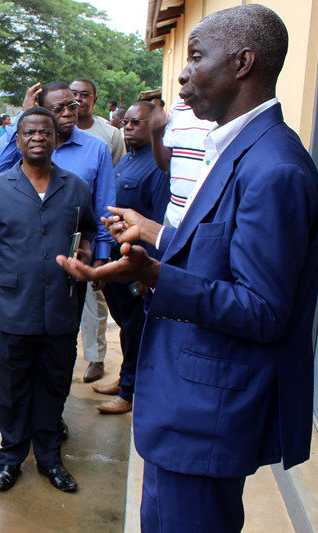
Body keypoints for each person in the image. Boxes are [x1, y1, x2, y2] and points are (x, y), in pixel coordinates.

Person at [57, 6, 318, 531]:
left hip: (208, 415)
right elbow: (224, 249)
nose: (181, 72)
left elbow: (264, 310)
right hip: (185, 406)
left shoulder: (276, 168)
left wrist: (152, 275)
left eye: (196, 56)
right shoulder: (238, 146)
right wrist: (155, 234)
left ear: (243, 63)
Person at [0, 107, 97, 493]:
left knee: (54, 385)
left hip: (61, 306)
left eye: (45, 132)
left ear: (56, 139)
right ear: (17, 139)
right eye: (29, 132)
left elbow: (88, 232)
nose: (38, 137)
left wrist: (85, 255)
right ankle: (10, 459)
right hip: (14, 308)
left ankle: (49, 458)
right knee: (12, 388)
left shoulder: (75, 187)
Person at [0, 81, 116, 385]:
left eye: (73, 105)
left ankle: (56, 411)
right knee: (24, 346)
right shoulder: (32, 142)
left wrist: (101, 257)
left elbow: (103, 207)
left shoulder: (96, 148)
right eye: (59, 108)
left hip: (74, 265)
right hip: (26, 265)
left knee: (63, 344)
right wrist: (25, 114)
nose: (71, 112)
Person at [94, 102, 169, 415]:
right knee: (124, 325)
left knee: (137, 327)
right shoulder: (126, 158)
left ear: (152, 125)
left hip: (135, 263)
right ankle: (126, 377)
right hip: (115, 258)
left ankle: (129, 391)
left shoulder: (158, 166)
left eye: (136, 122)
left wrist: (145, 270)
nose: (127, 127)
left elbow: (157, 222)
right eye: (124, 121)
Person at [69, 78, 125, 382]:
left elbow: (108, 188)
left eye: (84, 95)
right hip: (59, 234)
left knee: (93, 302)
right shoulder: (51, 134)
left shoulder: (109, 136)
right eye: (73, 95)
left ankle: (95, 357)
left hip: (92, 233)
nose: (78, 100)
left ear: (94, 99)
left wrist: (103, 247)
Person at [150, 100, 213, 228]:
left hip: (207, 221)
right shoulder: (178, 107)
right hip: (173, 217)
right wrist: (156, 135)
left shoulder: (225, 108)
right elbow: (165, 165)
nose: (182, 78)